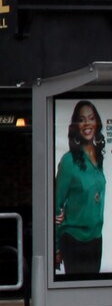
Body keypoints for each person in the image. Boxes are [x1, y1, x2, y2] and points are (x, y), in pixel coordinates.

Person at [54, 100, 105, 280]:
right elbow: (56, 204)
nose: (87, 124)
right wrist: (56, 247)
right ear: (76, 125)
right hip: (74, 240)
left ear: (97, 122)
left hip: (96, 239)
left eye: (91, 118)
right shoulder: (68, 161)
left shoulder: (98, 157)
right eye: (82, 119)